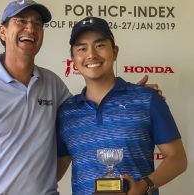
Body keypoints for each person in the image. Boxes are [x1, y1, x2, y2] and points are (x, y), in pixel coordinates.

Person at [0, 1, 161, 195]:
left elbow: (87, 111)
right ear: (3, 32)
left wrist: (133, 96)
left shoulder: (52, 84)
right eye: (21, 21)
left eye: (37, 23)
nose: (30, 28)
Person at [56, 16, 187, 195]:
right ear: (73, 59)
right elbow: (54, 172)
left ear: (115, 52)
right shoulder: (67, 112)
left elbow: (177, 159)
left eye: (100, 45)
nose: (91, 54)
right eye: (82, 48)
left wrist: (144, 185)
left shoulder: (147, 99)